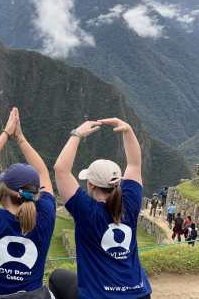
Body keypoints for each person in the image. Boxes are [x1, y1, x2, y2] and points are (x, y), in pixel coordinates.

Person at [52, 118, 152, 299]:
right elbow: (134, 164)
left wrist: (77, 134)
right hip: (140, 294)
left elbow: (61, 170)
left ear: (90, 185)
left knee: (57, 277)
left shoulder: (85, 210)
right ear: (119, 182)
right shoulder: (131, 203)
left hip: (99, 295)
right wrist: (128, 131)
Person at [0, 107, 55, 299]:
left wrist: (7, 133)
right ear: (35, 194)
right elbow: (43, 173)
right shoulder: (45, 217)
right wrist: (21, 138)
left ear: (3, 193)